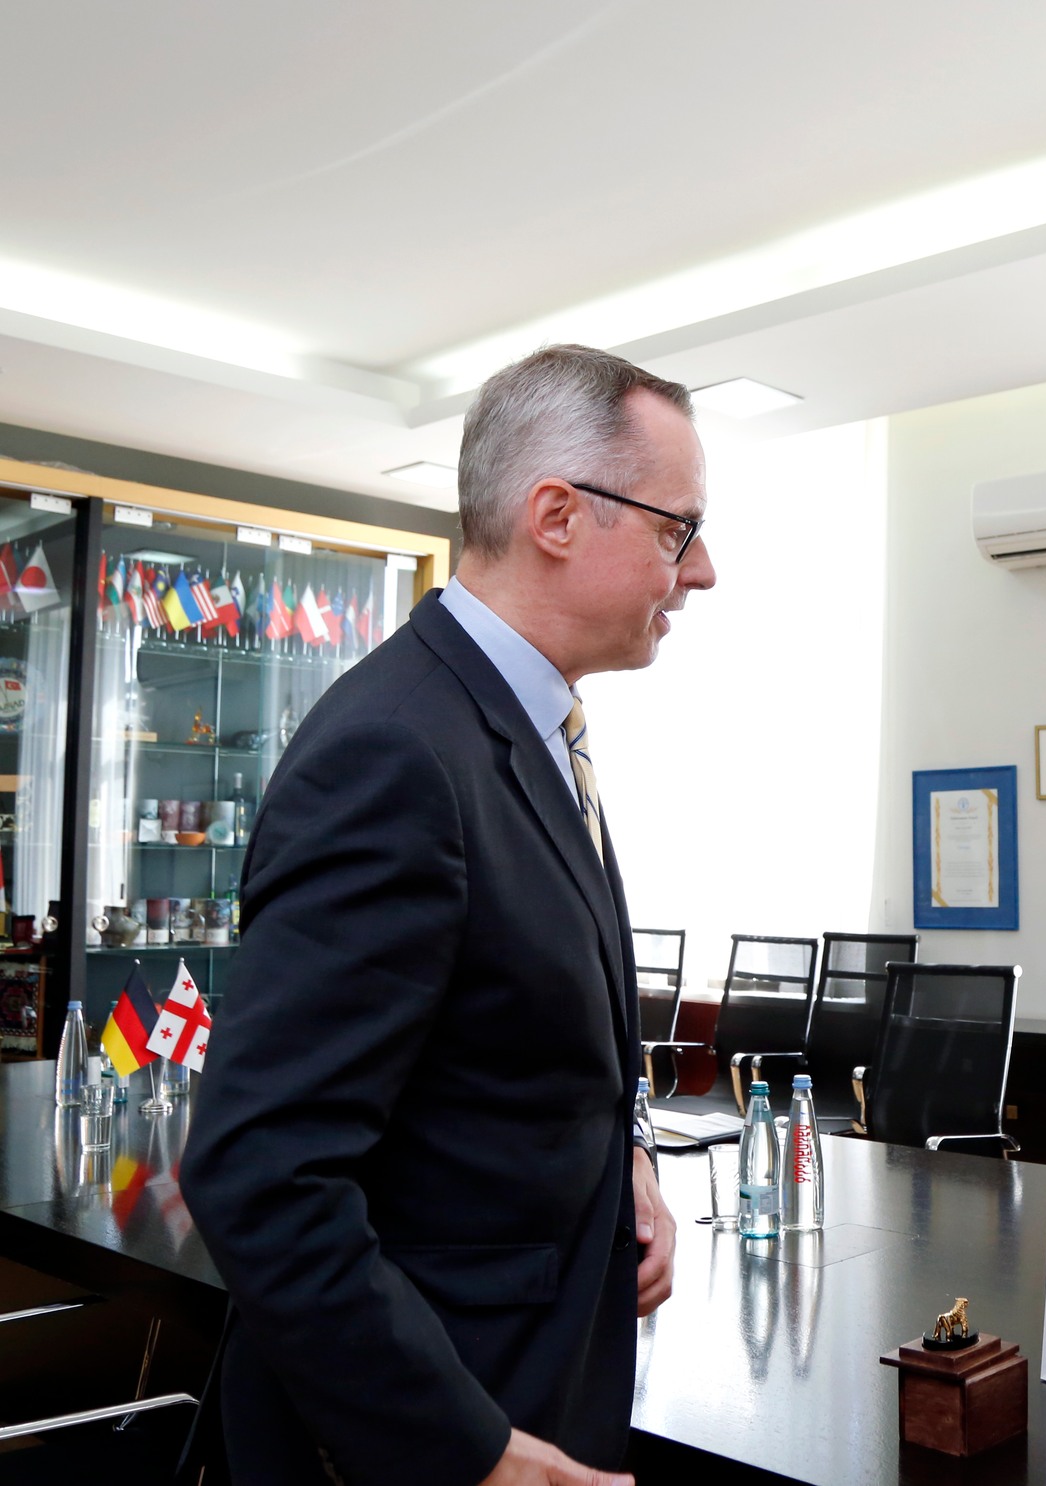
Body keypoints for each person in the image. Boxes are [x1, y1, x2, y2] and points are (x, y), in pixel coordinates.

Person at [183, 344, 712, 1486]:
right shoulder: (396, 750)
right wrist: (465, 1451)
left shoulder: (523, 727)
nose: (701, 571)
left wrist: (625, 1160)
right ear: (557, 516)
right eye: (678, 530)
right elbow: (260, 1172)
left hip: (538, 1378)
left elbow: (518, 1040)